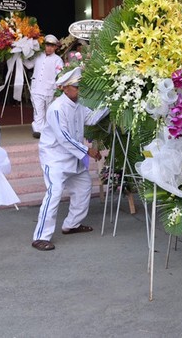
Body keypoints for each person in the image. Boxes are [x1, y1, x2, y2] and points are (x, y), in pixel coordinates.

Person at [31, 67, 107, 251]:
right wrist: (87, 150)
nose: (80, 90)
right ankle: (40, 236)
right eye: (77, 87)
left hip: (74, 158)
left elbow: (92, 118)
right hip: (55, 158)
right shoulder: (56, 108)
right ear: (65, 88)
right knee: (54, 194)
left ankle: (71, 224)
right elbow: (63, 137)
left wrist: (114, 101)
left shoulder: (79, 105)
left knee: (83, 188)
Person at [24, 34, 63, 138]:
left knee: (48, 112)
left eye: (52, 45)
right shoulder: (38, 55)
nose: (49, 47)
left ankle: (47, 131)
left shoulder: (58, 59)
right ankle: (38, 131)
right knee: (38, 111)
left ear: (55, 47)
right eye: (47, 45)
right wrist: (20, 56)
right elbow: (29, 65)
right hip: (36, 88)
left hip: (50, 90)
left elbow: (60, 75)